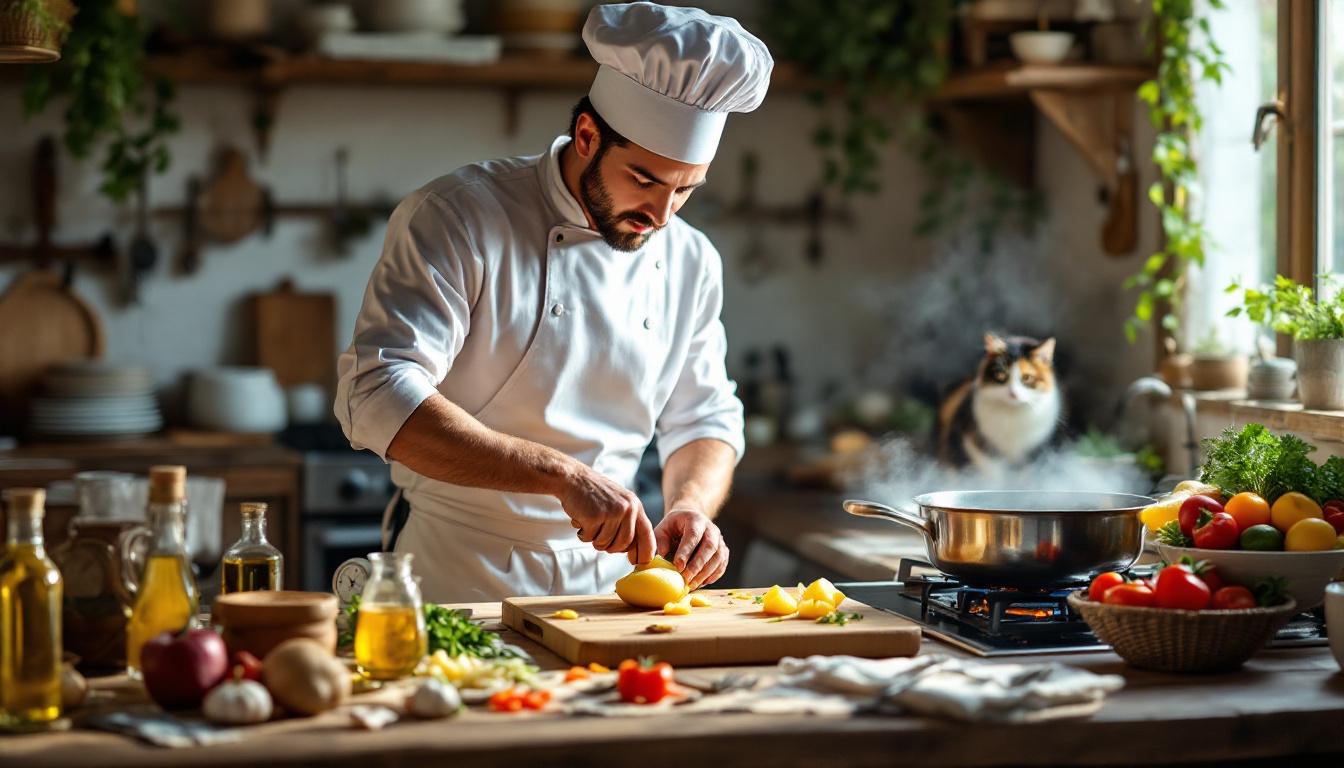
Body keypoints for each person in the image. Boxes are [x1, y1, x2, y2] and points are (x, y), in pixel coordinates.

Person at [334, 2, 773, 603]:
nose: (662, 214)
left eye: (685, 190)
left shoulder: (691, 260)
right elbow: (376, 394)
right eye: (644, 180)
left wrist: (692, 506)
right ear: (588, 136)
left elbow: (704, 417)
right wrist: (561, 475)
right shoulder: (457, 217)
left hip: (613, 592)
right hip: (458, 576)